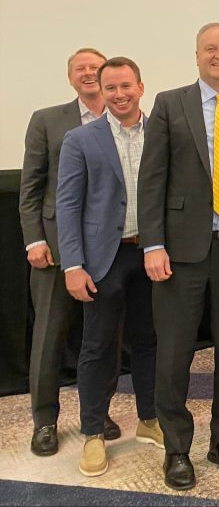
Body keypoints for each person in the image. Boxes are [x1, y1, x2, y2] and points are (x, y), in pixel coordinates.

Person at [138, 22, 219, 491]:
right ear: (196, 56)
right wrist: (152, 243)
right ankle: (177, 449)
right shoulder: (169, 103)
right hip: (180, 253)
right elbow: (151, 179)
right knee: (173, 355)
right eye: (211, 49)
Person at [55, 57, 163, 477]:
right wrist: (73, 264)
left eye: (126, 87)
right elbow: (67, 205)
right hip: (103, 258)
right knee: (98, 347)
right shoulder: (80, 139)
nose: (119, 95)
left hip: (152, 253)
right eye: (111, 88)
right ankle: (94, 433)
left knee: (149, 340)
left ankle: (150, 420)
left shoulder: (161, 132)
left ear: (141, 87)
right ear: (101, 91)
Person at [20, 47, 122, 456]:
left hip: (108, 249)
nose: (89, 73)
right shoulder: (47, 120)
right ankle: (45, 420)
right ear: (70, 78)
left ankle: (95, 413)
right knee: (49, 335)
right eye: (80, 68)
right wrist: (34, 239)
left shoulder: (123, 120)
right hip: (56, 248)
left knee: (104, 338)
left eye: (95, 67)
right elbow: (31, 186)